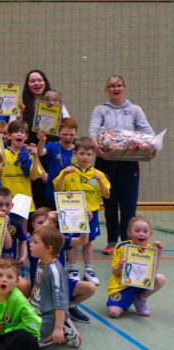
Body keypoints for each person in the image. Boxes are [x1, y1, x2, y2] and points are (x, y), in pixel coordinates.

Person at [88, 75, 155, 255]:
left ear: (124, 88)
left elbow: (148, 132)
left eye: (119, 85)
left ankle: (126, 241)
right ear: (107, 89)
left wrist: (152, 146)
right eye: (112, 86)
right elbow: (93, 130)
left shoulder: (134, 110)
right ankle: (112, 240)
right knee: (109, 203)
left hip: (128, 163)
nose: (116, 88)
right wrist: (96, 145)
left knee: (128, 204)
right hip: (105, 162)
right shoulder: (100, 110)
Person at [54, 137, 110, 285]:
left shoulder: (98, 174)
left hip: (90, 213)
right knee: (71, 242)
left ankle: (88, 270)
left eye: (88, 154)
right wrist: (63, 175)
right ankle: (73, 269)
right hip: (71, 212)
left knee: (88, 242)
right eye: (82, 153)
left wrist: (100, 180)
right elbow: (57, 190)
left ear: (93, 156)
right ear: (75, 154)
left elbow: (105, 194)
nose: (85, 157)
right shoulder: (68, 171)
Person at [28, 226, 81, 348]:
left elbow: (60, 302)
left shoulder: (55, 271)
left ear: (48, 248)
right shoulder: (40, 262)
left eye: (35, 242)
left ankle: (64, 330)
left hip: (49, 314)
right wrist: (30, 300)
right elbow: (38, 284)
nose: (30, 244)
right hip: (37, 310)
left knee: (30, 342)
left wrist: (58, 328)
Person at [106, 216, 166, 318]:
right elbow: (114, 271)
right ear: (129, 232)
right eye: (137, 231)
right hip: (122, 286)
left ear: (150, 234)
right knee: (113, 313)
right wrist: (120, 266)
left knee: (160, 278)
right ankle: (126, 299)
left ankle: (140, 299)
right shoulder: (121, 247)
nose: (141, 234)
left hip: (140, 283)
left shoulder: (150, 249)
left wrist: (159, 253)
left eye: (145, 231)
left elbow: (152, 273)